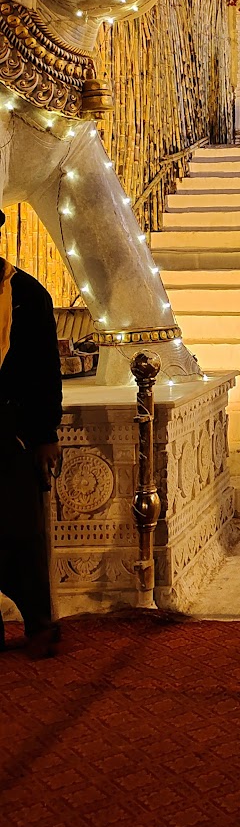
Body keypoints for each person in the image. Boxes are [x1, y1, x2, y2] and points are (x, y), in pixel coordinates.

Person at [0, 213, 64, 657]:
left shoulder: (26, 295)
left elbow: (45, 374)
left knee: (21, 531)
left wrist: (45, 436)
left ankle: (39, 624)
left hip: (12, 434)